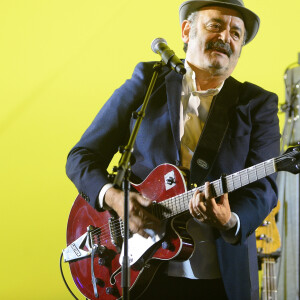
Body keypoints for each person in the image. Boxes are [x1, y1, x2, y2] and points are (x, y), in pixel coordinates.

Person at [66, 0, 280, 299]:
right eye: (215, 25)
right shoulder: (147, 81)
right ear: (186, 30)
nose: (225, 37)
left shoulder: (257, 104)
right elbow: (81, 157)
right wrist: (116, 199)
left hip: (219, 278)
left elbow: (265, 188)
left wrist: (229, 219)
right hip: (135, 270)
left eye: (236, 33)